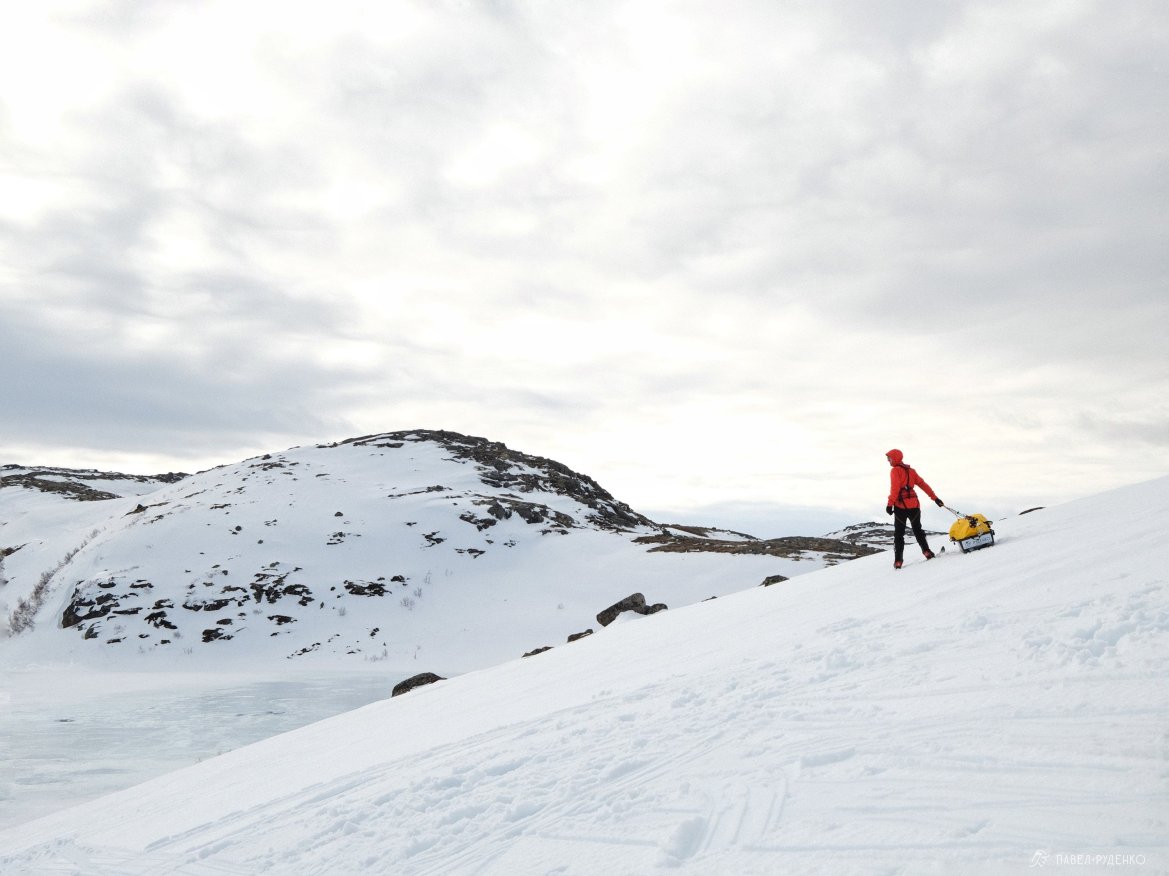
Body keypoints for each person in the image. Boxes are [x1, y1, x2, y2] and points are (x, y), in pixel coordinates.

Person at [885, 448, 944, 569]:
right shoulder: (911, 471)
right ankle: (927, 552)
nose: (888, 460)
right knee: (918, 530)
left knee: (899, 534)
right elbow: (923, 484)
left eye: (889, 458)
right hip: (915, 506)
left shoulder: (895, 471)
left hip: (901, 507)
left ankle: (898, 561)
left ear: (895, 458)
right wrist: (935, 498)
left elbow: (895, 488)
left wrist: (890, 504)